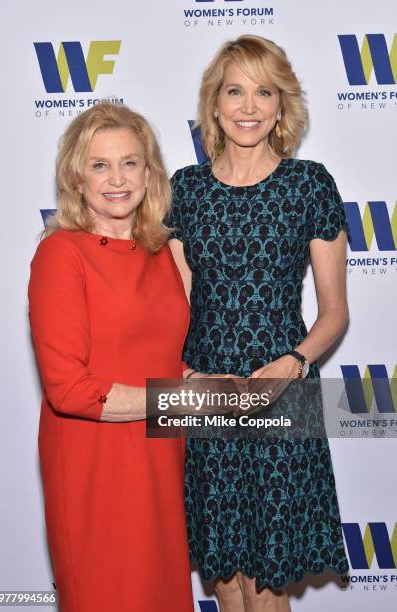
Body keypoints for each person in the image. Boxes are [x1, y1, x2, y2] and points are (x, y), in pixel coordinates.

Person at [169, 35, 349, 612]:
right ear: (214, 104)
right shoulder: (185, 191)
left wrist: (293, 365)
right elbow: (175, 304)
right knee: (224, 571)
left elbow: (334, 312)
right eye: (235, 92)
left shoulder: (309, 185)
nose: (248, 107)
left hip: (282, 385)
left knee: (268, 582)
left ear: (281, 104)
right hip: (204, 389)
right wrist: (186, 374)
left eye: (263, 92)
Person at [28, 102, 194, 612]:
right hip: (94, 466)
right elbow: (70, 389)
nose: (116, 178)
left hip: (162, 462)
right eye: (100, 165)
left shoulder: (164, 252)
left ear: (150, 173)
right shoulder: (62, 255)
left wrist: (212, 386)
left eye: (130, 162)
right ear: (77, 178)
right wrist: (180, 398)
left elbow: (163, 356)